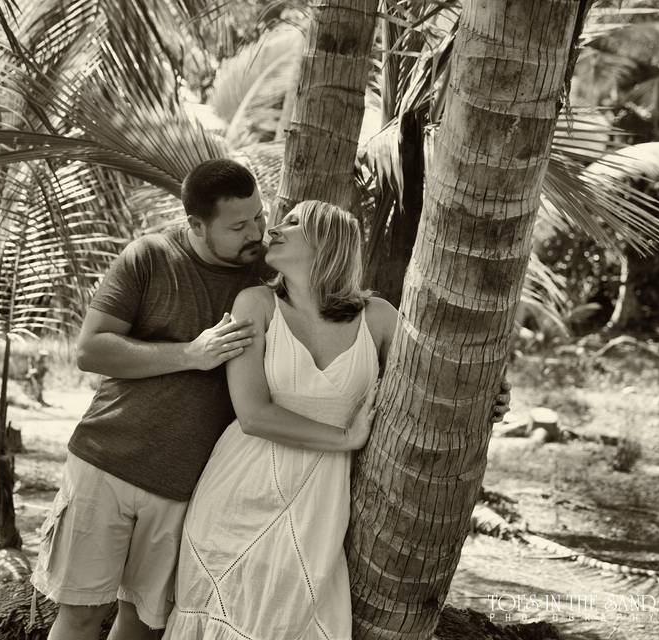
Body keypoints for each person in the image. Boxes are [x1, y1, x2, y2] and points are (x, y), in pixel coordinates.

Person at [162, 200, 511, 640]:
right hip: (240, 486)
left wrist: (488, 398)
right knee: (223, 612)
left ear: (328, 241)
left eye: (293, 223)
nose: (274, 229)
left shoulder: (378, 318)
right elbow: (252, 414)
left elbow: (436, 381)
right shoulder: (256, 304)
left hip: (320, 500)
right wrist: (345, 438)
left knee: (294, 618)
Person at [32, 159, 271, 640]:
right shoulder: (148, 257)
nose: (257, 233)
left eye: (260, 217)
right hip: (107, 465)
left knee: (143, 624)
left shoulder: (269, 275)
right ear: (196, 225)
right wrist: (191, 354)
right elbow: (89, 349)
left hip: (188, 485)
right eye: (240, 225)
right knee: (81, 613)